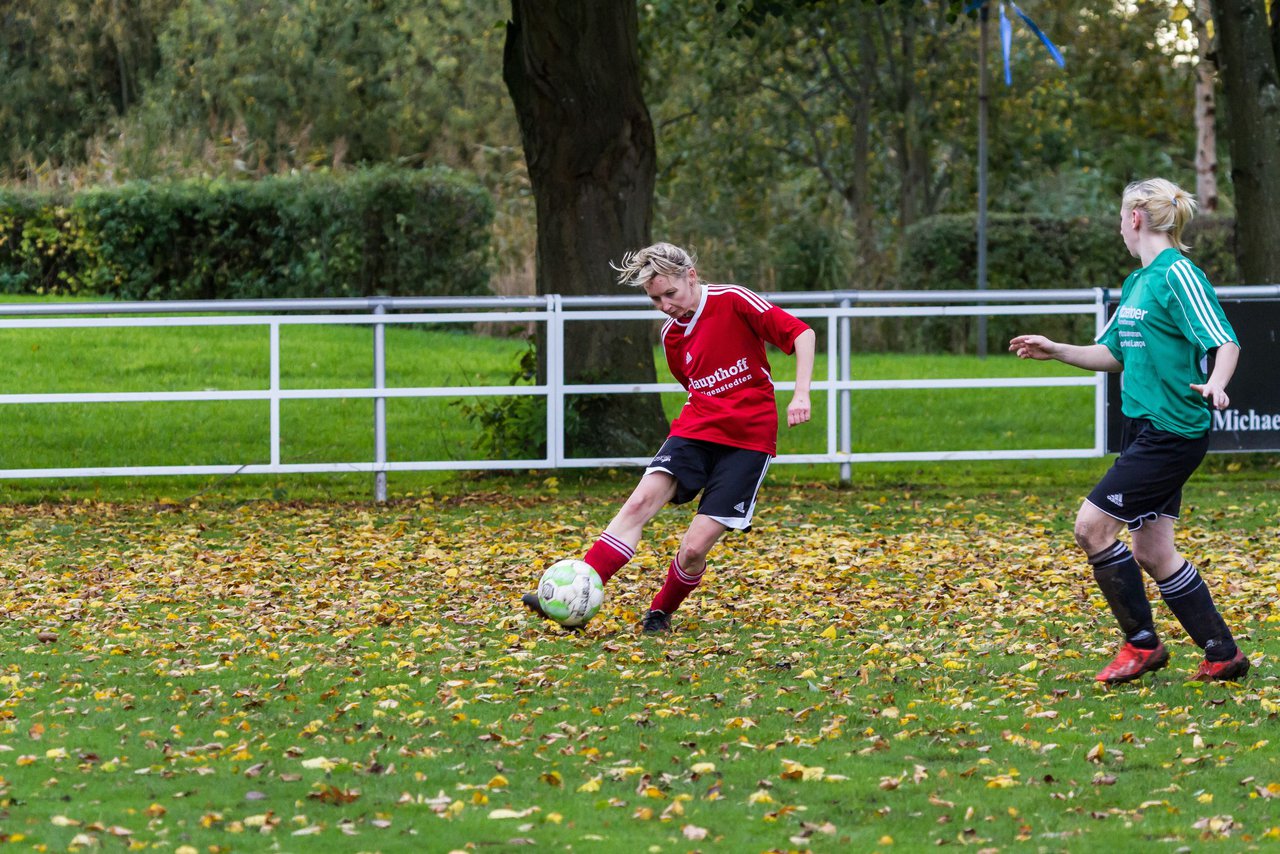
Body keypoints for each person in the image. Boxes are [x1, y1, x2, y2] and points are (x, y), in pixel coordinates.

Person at [1010, 177, 1249, 684]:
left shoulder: (1178, 275)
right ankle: (1222, 654)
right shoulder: (1137, 282)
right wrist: (1056, 350)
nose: (1120, 227)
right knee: (1153, 551)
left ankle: (1142, 644)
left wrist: (1217, 384)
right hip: (1143, 429)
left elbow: (1225, 342)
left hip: (1172, 431)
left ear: (1135, 216)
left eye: (1121, 217)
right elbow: (1112, 354)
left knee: (1091, 528)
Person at [523, 241, 815, 633]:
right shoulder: (672, 336)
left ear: (691, 277)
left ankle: (660, 611)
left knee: (694, 549)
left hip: (749, 439)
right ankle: (574, 591)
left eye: (670, 294)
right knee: (640, 501)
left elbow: (802, 334)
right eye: (655, 299)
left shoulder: (733, 300)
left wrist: (801, 393)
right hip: (698, 429)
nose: (664, 305)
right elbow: (693, 386)